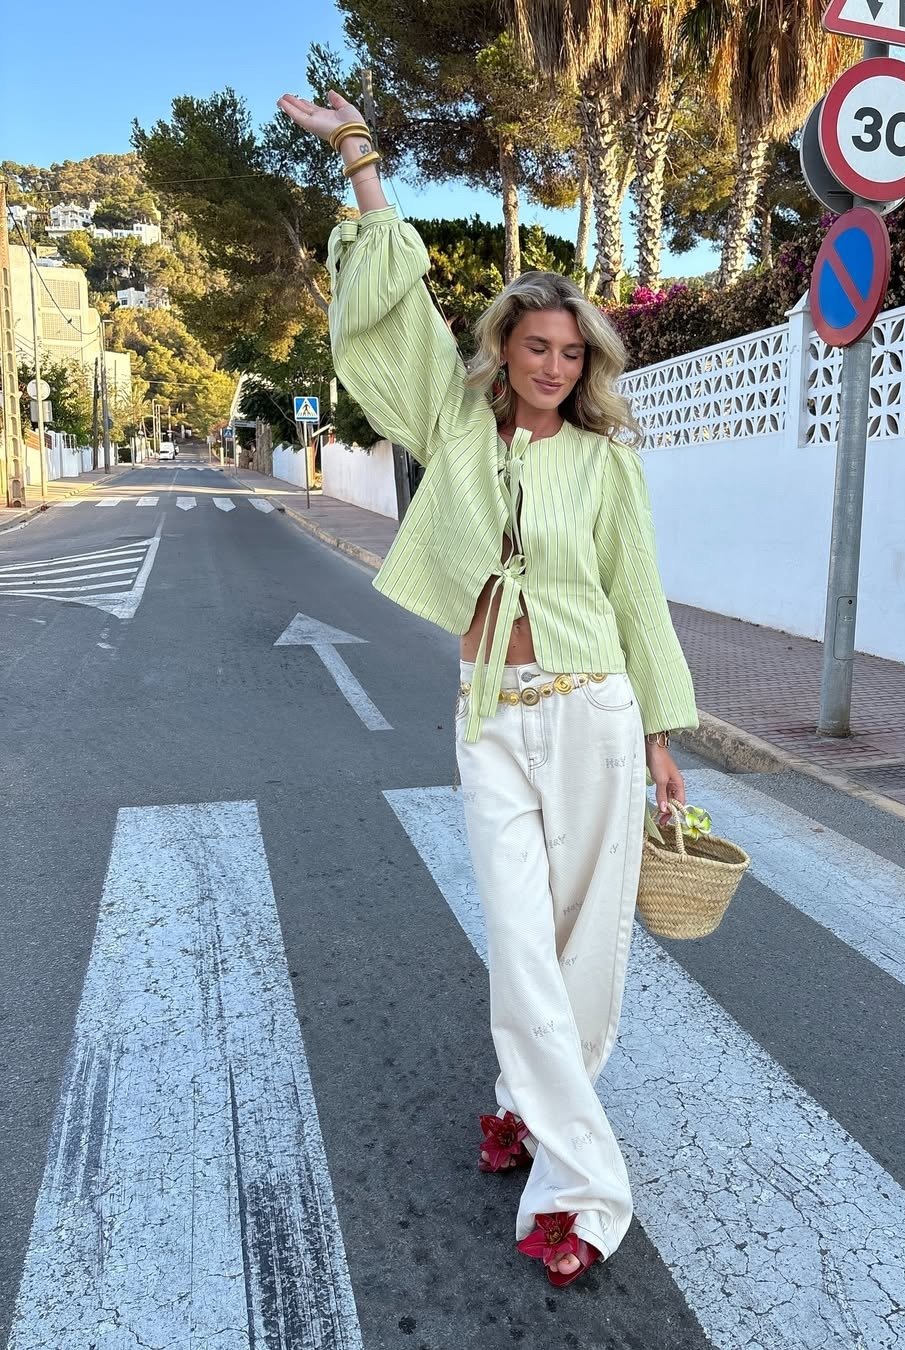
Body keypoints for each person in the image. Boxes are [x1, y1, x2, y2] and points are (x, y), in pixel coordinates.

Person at [278, 90, 700, 1287]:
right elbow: (396, 318)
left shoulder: (609, 467)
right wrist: (361, 155)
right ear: (505, 349)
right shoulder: (456, 428)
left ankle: (530, 1115)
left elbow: (640, 599)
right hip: (491, 720)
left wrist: (667, 733)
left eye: (575, 353)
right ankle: (590, 1189)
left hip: (598, 713)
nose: (557, 367)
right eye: (538, 347)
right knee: (521, 952)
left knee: (586, 957)